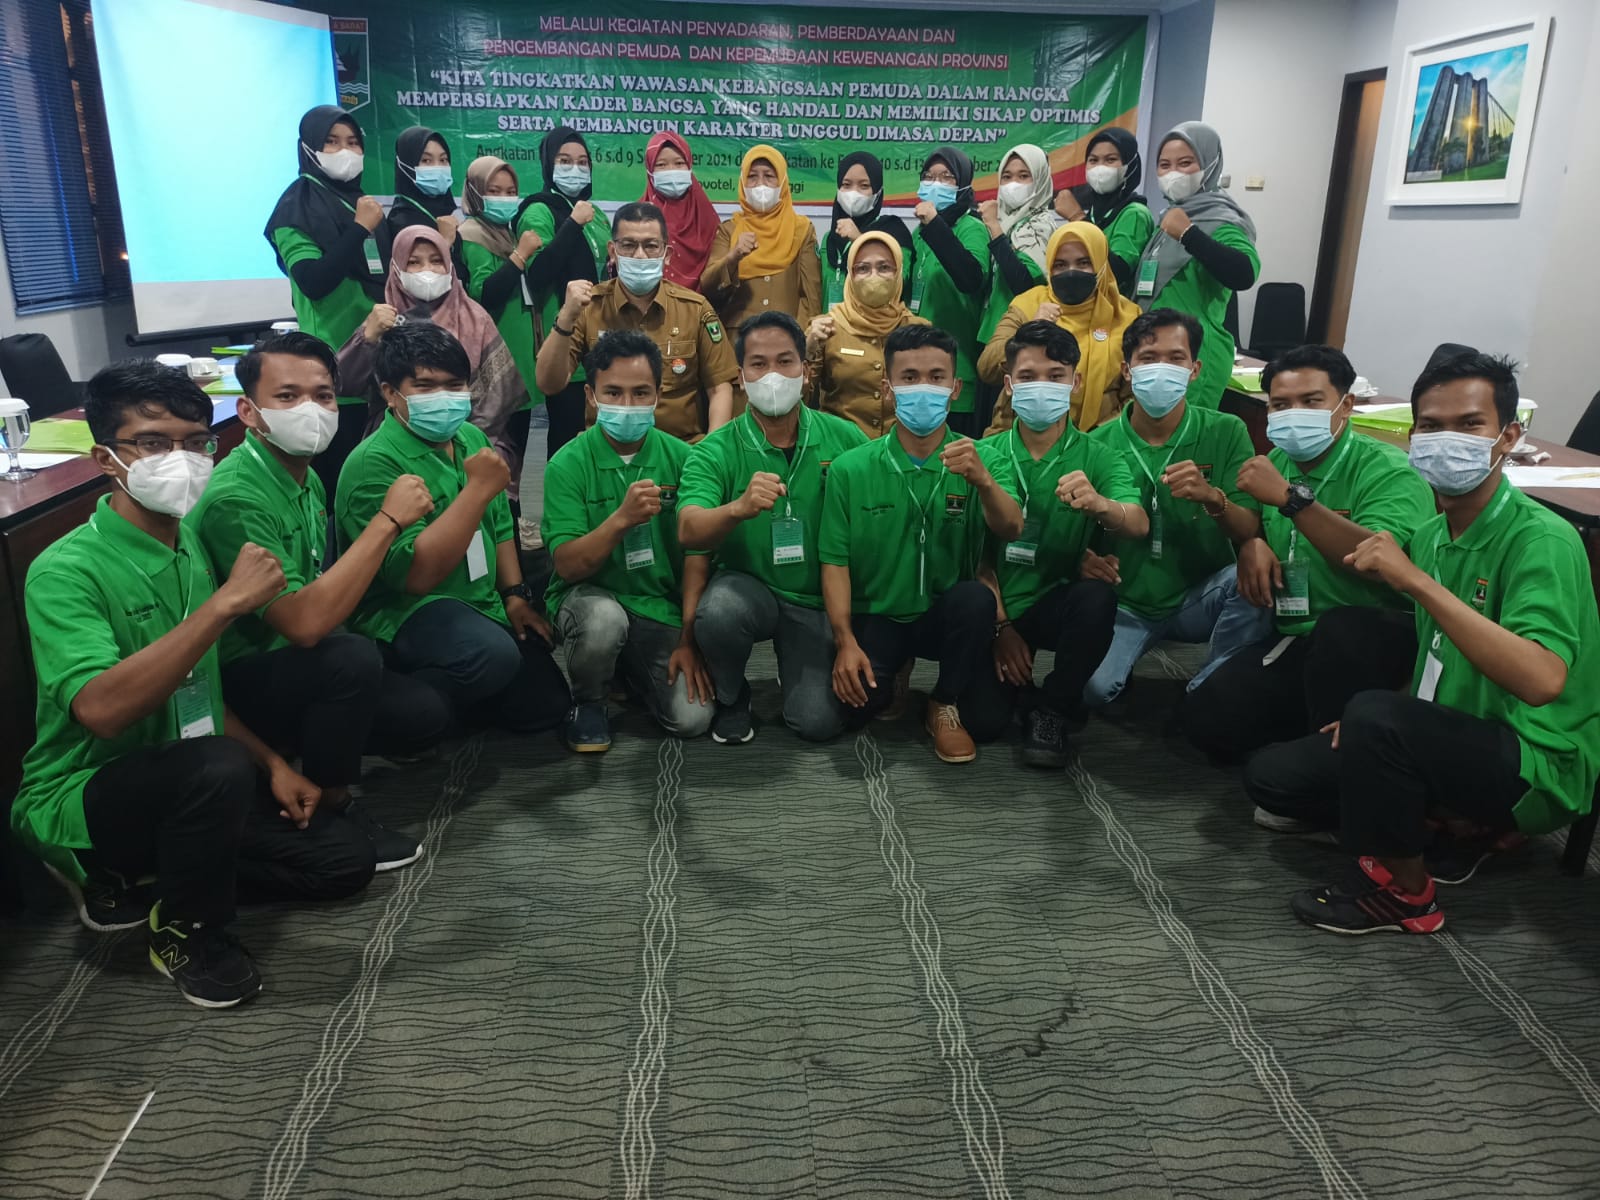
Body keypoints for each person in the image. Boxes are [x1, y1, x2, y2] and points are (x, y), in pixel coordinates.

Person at [12, 362, 376, 1007]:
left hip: (192, 773)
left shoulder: (187, 547)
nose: (179, 460)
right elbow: (101, 711)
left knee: (344, 863)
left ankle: (159, 874)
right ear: (104, 458)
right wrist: (224, 605)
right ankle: (185, 927)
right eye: (153, 443)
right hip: (89, 785)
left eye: (195, 442)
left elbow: (199, 690)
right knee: (214, 765)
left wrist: (272, 766)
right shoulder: (65, 569)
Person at [1245, 353, 1599, 935]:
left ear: (1509, 437)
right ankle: (1453, 822)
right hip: (1462, 729)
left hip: (1537, 759)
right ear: (1413, 438)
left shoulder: (1543, 539)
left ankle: (1408, 895)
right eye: (1431, 427)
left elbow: (1542, 681)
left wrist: (1415, 582)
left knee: (1373, 714)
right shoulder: (1435, 533)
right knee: (1272, 776)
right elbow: (1434, 649)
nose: (1447, 440)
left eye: (1470, 424)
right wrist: (1394, 723)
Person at [188, 332, 452, 872]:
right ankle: (333, 800)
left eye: (323, 395)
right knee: (351, 658)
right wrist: (388, 521)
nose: (310, 409)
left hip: (288, 657)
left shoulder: (301, 473)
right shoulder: (236, 496)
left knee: (422, 713)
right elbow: (303, 624)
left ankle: (290, 756)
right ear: (249, 412)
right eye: (287, 396)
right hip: (232, 678)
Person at [1182, 344, 1435, 761]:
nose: (1294, 413)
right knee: (1207, 718)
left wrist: (1291, 501)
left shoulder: (1387, 471)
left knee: (1343, 630)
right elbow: (1259, 528)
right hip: (1299, 633)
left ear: (1346, 405)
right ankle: (1312, 737)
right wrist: (1253, 544)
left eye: (1311, 401)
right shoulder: (1277, 461)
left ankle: (1347, 744)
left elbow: (1376, 564)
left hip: (1374, 636)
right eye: (1281, 405)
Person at [335, 324, 571, 734]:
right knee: (491, 657)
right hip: (410, 609)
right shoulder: (372, 463)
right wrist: (476, 491)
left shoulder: (470, 436)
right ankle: (392, 702)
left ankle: (454, 700)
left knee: (546, 706)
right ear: (390, 392)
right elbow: (416, 576)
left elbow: (500, 524)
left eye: (454, 385)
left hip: (481, 600)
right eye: (425, 387)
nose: (443, 398)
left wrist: (515, 596)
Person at [819, 325, 1023, 764]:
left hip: (946, 616)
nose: (923, 388)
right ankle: (895, 671)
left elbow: (1011, 528)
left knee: (988, 719)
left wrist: (984, 483)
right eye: (909, 378)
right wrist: (845, 641)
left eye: (936, 377)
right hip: (880, 614)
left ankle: (943, 701)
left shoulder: (984, 459)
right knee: (851, 710)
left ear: (955, 389)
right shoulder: (850, 468)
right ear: (887, 389)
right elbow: (834, 561)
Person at [680, 312, 868, 744]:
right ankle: (732, 694)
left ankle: (797, 666)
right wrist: (737, 509)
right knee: (720, 612)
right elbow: (689, 530)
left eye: (785, 362)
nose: (773, 376)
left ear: (806, 370)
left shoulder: (845, 438)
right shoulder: (714, 450)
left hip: (815, 599)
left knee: (817, 723)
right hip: (747, 589)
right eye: (758, 364)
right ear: (740, 377)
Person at [964, 321, 1145, 768]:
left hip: (1052, 599)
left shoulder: (1098, 456)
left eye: (1056, 375)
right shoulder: (983, 455)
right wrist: (1001, 629)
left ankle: (1053, 709)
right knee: (983, 722)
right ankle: (1024, 692)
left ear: (1075, 382)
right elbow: (972, 556)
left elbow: (1137, 522)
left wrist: (1102, 506)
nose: (1041, 386)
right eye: (1028, 376)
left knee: (1096, 598)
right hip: (994, 604)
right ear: (1008, 384)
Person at [1082, 309, 1273, 708]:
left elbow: (1247, 528)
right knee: (1094, 692)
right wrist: (1082, 559)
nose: (1161, 369)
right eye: (1149, 358)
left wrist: (1213, 498)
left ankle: (1211, 690)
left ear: (1195, 369)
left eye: (1175, 358)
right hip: (1125, 601)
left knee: (1253, 575)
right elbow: (1075, 533)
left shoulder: (1226, 430)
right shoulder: (1097, 443)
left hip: (1199, 596)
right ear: (1127, 370)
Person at [542, 330, 714, 751]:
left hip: (657, 605)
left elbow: (699, 553)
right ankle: (589, 701)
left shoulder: (684, 459)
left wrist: (688, 638)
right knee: (604, 621)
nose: (627, 404)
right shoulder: (567, 464)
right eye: (613, 393)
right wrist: (621, 520)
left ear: (658, 394)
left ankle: (628, 671)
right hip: (590, 598)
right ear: (591, 395)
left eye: (640, 393)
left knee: (693, 719)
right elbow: (568, 565)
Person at [263, 105, 387, 501]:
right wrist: (359, 228)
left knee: (380, 486)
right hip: (335, 371)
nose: (344, 151)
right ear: (309, 147)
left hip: (378, 368)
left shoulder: (358, 201)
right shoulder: (294, 209)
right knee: (342, 491)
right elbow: (314, 281)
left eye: (352, 142)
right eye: (331, 142)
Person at [336, 226, 526, 483]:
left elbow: (498, 395)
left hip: (469, 442)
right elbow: (343, 383)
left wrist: (460, 439)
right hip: (396, 446)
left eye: (437, 261)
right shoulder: (383, 319)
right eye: (414, 262)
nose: (427, 270)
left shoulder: (475, 318)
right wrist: (367, 339)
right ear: (396, 268)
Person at [535, 202, 738, 440]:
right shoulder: (588, 307)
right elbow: (549, 384)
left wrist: (710, 452)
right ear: (613, 252)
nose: (640, 255)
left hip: (681, 450)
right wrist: (566, 317)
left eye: (651, 246)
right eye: (629, 245)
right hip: (606, 450)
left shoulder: (695, 309)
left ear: (667, 254)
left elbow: (720, 388)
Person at [1132, 122, 1258, 408]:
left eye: (1185, 163)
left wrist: (1190, 234)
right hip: (1155, 350)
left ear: (1210, 165)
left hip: (1193, 357)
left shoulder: (1222, 220)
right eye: (1164, 165)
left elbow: (1244, 273)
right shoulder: (1168, 218)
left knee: (1187, 432)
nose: (1173, 173)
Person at [981, 222, 1139, 433]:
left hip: (1101, 440)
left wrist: (1096, 439)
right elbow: (987, 368)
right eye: (1060, 265)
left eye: (1084, 263)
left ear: (1101, 264)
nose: (1071, 272)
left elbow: (1133, 395)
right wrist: (1030, 331)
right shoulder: (1027, 304)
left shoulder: (1128, 316)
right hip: (1018, 437)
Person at [514, 127, 611, 459]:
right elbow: (538, 274)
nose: (576, 168)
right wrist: (573, 223)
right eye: (565, 161)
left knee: (602, 438)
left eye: (583, 162)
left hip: (602, 339)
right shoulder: (538, 211)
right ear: (548, 164)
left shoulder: (597, 215)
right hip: (566, 342)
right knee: (568, 441)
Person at [458, 155, 547, 496]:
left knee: (527, 447)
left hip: (524, 356)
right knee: (496, 449)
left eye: (510, 192)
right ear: (475, 192)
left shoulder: (506, 234)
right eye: (493, 191)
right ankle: (499, 514)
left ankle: (524, 511)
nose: (504, 198)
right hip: (496, 357)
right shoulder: (471, 235)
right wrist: (520, 256)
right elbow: (485, 294)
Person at [806, 231, 929, 437]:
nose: (874, 276)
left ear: (898, 272)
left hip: (900, 447)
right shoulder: (826, 328)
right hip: (840, 446)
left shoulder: (919, 330)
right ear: (850, 274)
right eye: (863, 268)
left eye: (884, 267)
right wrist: (807, 351)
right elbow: (798, 399)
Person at [909, 148, 991, 435]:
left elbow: (971, 279)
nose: (935, 184)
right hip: (916, 363)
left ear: (964, 184)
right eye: (929, 176)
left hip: (958, 370)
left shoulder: (972, 227)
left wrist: (935, 224)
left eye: (946, 177)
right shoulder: (919, 233)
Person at [702, 145, 822, 338]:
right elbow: (708, 287)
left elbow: (810, 298)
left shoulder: (802, 230)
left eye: (769, 176)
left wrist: (800, 342)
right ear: (742, 183)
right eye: (752, 177)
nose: (761, 184)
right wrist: (733, 257)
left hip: (786, 339)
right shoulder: (729, 230)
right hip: (738, 341)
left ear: (783, 182)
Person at [978, 143, 1063, 343]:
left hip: (1020, 332)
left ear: (1040, 180)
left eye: (1024, 176)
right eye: (1007, 177)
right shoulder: (1008, 222)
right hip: (993, 329)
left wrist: (994, 227)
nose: (1013, 184)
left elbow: (1024, 284)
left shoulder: (1040, 225)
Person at [1054, 127, 1154, 295]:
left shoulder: (1135, 213)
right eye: (1093, 160)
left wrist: (1077, 217)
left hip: (1116, 307)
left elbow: (1118, 271)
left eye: (1110, 160)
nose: (1100, 168)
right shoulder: (1095, 213)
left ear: (1130, 166)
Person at [820, 151, 914, 311]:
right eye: (846, 185)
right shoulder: (830, 238)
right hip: (832, 324)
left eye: (864, 186)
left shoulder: (894, 231)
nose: (853, 193)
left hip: (876, 324)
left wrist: (859, 240)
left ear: (877, 192)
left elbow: (899, 284)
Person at [639, 131, 720, 292]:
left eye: (679, 163)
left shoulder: (705, 216)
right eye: (661, 165)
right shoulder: (638, 217)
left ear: (689, 166)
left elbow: (718, 271)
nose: (671, 170)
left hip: (703, 303)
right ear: (649, 170)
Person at [383, 126, 462, 268]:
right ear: (405, 165)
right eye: (426, 160)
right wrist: (445, 242)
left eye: (443, 160)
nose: (437, 167)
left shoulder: (441, 213)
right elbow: (421, 277)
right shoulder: (403, 223)